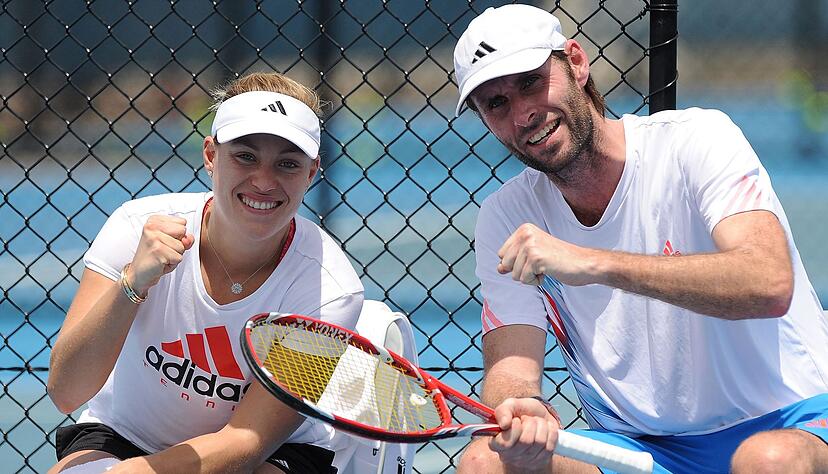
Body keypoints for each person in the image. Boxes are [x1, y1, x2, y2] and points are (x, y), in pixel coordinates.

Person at [452, 4, 828, 473]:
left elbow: (769, 284)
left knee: (768, 461)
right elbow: (512, 368)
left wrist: (593, 263)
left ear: (576, 62)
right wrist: (521, 405)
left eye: (530, 82)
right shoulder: (504, 216)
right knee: (487, 463)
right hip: (640, 449)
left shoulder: (697, 140)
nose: (523, 113)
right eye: (496, 104)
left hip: (792, 418)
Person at [47, 72, 365, 473]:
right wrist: (132, 284)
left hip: (269, 453)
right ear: (211, 155)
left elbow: (247, 441)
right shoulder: (135, 227)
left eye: (287, 164)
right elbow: (66, 392)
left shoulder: (330, 291)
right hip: (125, 433)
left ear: (312, 172)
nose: (264, 182)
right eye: (245, 156)